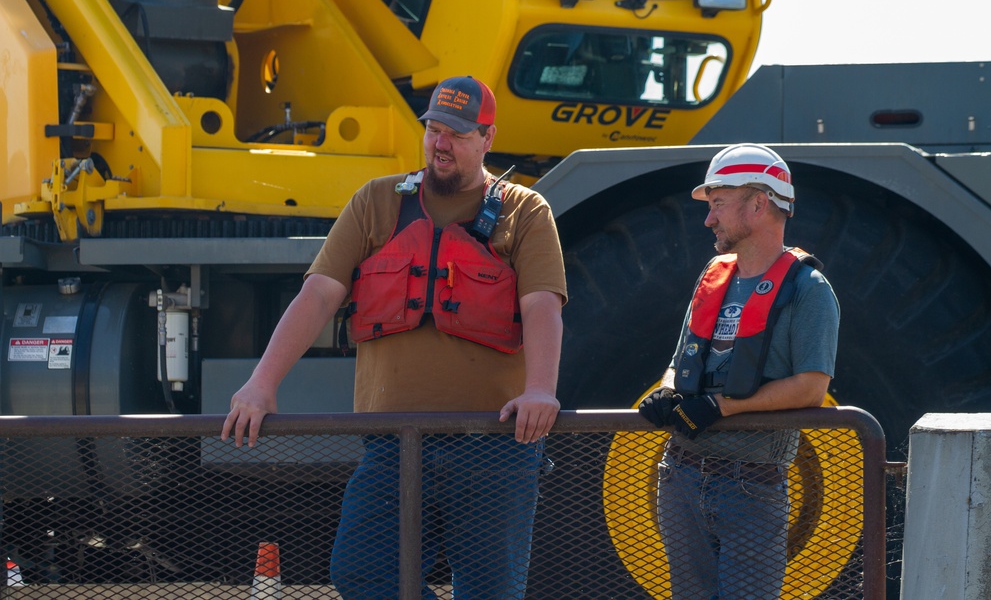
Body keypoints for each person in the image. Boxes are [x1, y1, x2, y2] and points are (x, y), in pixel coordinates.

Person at [221, 75, 566, 600]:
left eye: (456, 131)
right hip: (393, 444)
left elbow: (542, 303)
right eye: (433, 128)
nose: (440, 142)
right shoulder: (376, 202)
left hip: (493, 445)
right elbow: (317, 295)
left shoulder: (525, 211)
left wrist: (540, 388)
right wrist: (262, 383)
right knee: (360, 571)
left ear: (487, 138)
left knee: (490, 593)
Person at [638, 143, 840, 599]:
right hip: (678, 477)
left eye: (718, 205)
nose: (709, 219)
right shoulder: (713, 276)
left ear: (758, 203)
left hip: (751, 486)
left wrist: (720, 407)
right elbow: (678, 362)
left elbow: (811, 387)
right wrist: (668, 390)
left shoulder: (810, 290)